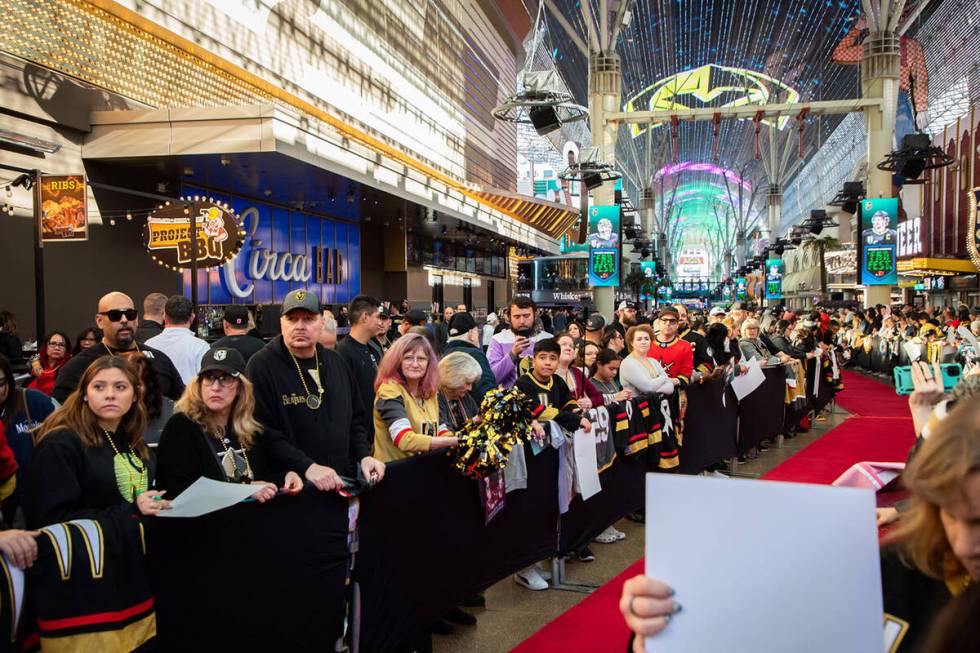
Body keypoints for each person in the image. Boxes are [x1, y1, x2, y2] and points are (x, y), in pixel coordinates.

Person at [246, 289, 385, 490]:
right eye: (292, 319)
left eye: (308, 319)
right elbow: (263, 431)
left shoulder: (335, 361)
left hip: (341, 483)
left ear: (322, 322)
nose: (300, 326)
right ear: (281, 323)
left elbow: (356, 419)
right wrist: (307, 467)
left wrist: (364, 456)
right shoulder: (261, 365)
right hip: (294, 487)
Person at [27, 356, 170, 528]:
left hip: (136, 548)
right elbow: (52, 520)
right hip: (90, 551)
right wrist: (132, 509)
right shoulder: (61, 443)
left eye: (120, 387)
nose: (110, 395)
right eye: (99, 387)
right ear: (85, 394)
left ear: (135, 395)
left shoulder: (134, 441)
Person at [155, 347, 307, 500]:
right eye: (209, 378)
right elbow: (174, 488)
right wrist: (242, 490)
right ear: (199, 385)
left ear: (241, 387)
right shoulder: (182, 425)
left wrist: (287, 476)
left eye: (225, 379)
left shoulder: (249, 426)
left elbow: (262, 475)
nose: (215, 388)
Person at [513, 338, 591, 590]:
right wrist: (573, 419)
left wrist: (573, 415)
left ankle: (539, 559)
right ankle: (523, 568)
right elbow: (543, 412)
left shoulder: (557, 381)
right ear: (533, 359)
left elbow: (567, 405)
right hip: (530, 457)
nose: (547, 363)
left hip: (553, 456)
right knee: (530, 507)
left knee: (552, 505)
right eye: (542, 358)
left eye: (552, 359)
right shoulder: (523, 383)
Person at [54, 292, 184, 404]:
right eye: (115, 315)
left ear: (137, 319)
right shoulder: (79, 365)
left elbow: (181, 402)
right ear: (99, 321)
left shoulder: (159, 359)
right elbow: (64, 414)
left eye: (130, 314)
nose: (124, 320)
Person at [372, 333, 456, 462]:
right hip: (395, 473)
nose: (415, 364)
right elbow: (404, 439)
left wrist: (458, 439)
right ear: (397, 361)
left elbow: (441, 428)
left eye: (421, 359)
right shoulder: (389, 390)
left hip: (423, 469)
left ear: (429, 363)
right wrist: (455, 441)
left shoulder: (431, 391)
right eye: (408, 358)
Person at [0, 354, 57, 521]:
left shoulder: (33, 400)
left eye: (1, 383)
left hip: (37, 498)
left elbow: (71, 425)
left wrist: (54, 430)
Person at [336, 295, 385, 431]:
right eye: (377, 317)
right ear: (364, 317)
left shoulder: (373, 348)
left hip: (376, 429)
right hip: (359, 434)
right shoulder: (343, 352)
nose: (380, 322)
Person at [486, 297, 553, 389]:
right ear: (509, 317)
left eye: (526, 316)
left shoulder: (548, 338)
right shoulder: (498, 339)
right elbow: (492, 379)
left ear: (535, 315)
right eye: (517, 317)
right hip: (512, 399)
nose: (522, 321)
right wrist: (512, 354)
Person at [145, 295, 211, 385]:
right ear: (192, 317)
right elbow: (205, 382)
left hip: (157, 398)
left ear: (164, 316)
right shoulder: (200, 347)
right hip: (189, 398)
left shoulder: (149, 344)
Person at [442, 312, 496, 404]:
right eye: (477, 331)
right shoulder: (476, 355)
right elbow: (486, 392)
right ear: (471, 333)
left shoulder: (445, 355)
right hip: (474, 414)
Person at [620, 325, 675, 398]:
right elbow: (648, 388)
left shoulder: (653, 361)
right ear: (631, 343)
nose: (643, 342)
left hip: (657, 405)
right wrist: (664, 378)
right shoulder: (627, 363)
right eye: (639, 339)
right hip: (638, 407)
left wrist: (654, 388)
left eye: (646, 339)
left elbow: (670, 387)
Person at [27, 331, 72, 397]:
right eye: (53, 344)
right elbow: (33, 358)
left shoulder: (70, 367)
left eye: (61, 345)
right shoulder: (37, 364)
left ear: (66, 349)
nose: (57, 348)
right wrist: (34, 361)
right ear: (45, 347)